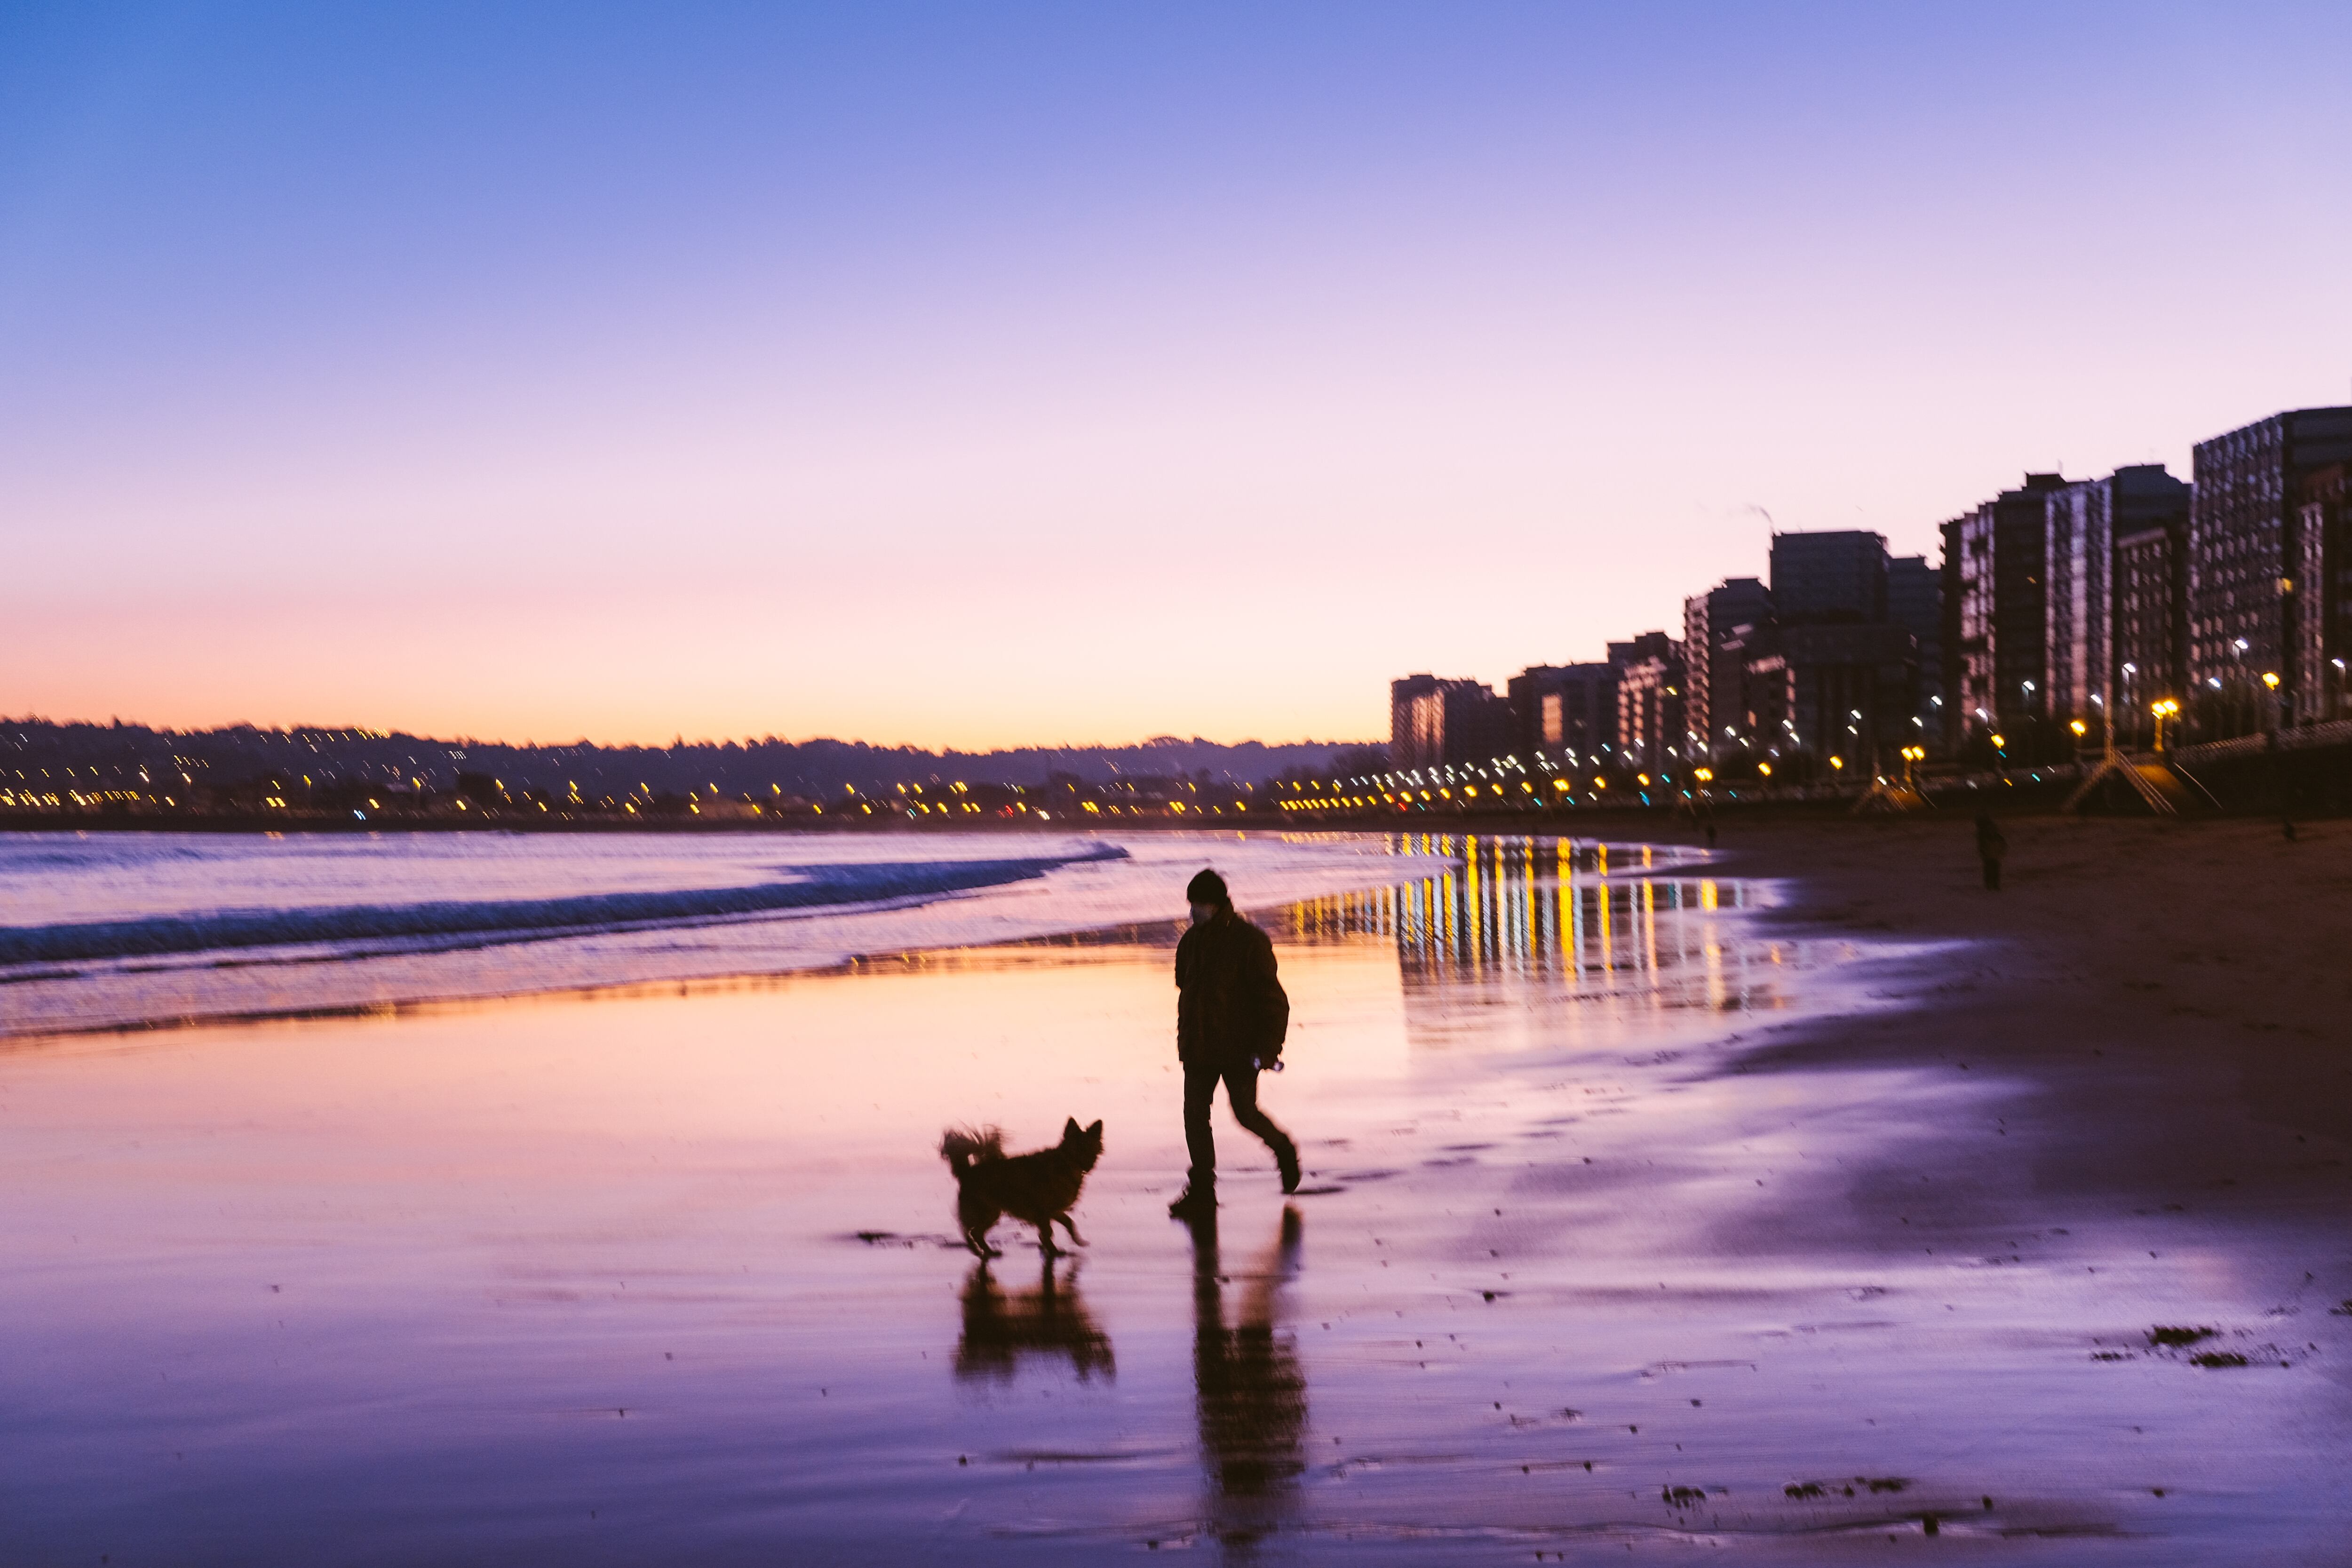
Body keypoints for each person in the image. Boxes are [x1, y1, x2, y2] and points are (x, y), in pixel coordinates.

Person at [1168, 869, 1300, 1218]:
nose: (1194, 910)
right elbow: (1186, 988)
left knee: (1245, 1113)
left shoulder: (1249, 941)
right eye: (1191, 904)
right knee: (1194, 1115)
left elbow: (1274, 1002)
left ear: (1217, 903)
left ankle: (1283, 1148)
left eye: (1199, 904)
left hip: (1239, 1049)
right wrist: (1186, 1039)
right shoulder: (1190, 942)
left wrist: (1268, 1049)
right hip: (1198, 1047)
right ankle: (1202, 1188)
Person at [1975, 812, 2007, 891]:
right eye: (1991, 830)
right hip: (1988, 857)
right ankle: (1988, 884)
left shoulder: (1999, 838)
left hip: (1996, 857)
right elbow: (1982, 847)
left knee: (1996, 872)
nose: (1992, 831)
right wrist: (1984, 854)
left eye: (1993, 830)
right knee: (1988, 871)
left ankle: (1996, 885)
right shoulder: (1986, 838)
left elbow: (2003, 846)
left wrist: (2001, 853)